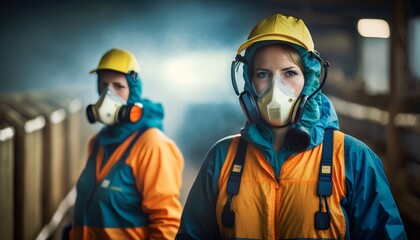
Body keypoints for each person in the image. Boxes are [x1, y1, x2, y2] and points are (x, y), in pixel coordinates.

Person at [176, 14, 407, 239]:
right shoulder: (221, 158)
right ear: (249, 83)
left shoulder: (353, 159)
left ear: (309, 81)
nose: (276, 87)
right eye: (263, 74)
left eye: (290, 73)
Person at [69, 48, 184, 239]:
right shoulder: (97, 142)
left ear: (133, 91)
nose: (108, 94)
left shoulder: (153, 145)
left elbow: (167, 224)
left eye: (118, 86)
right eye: (104, 85)